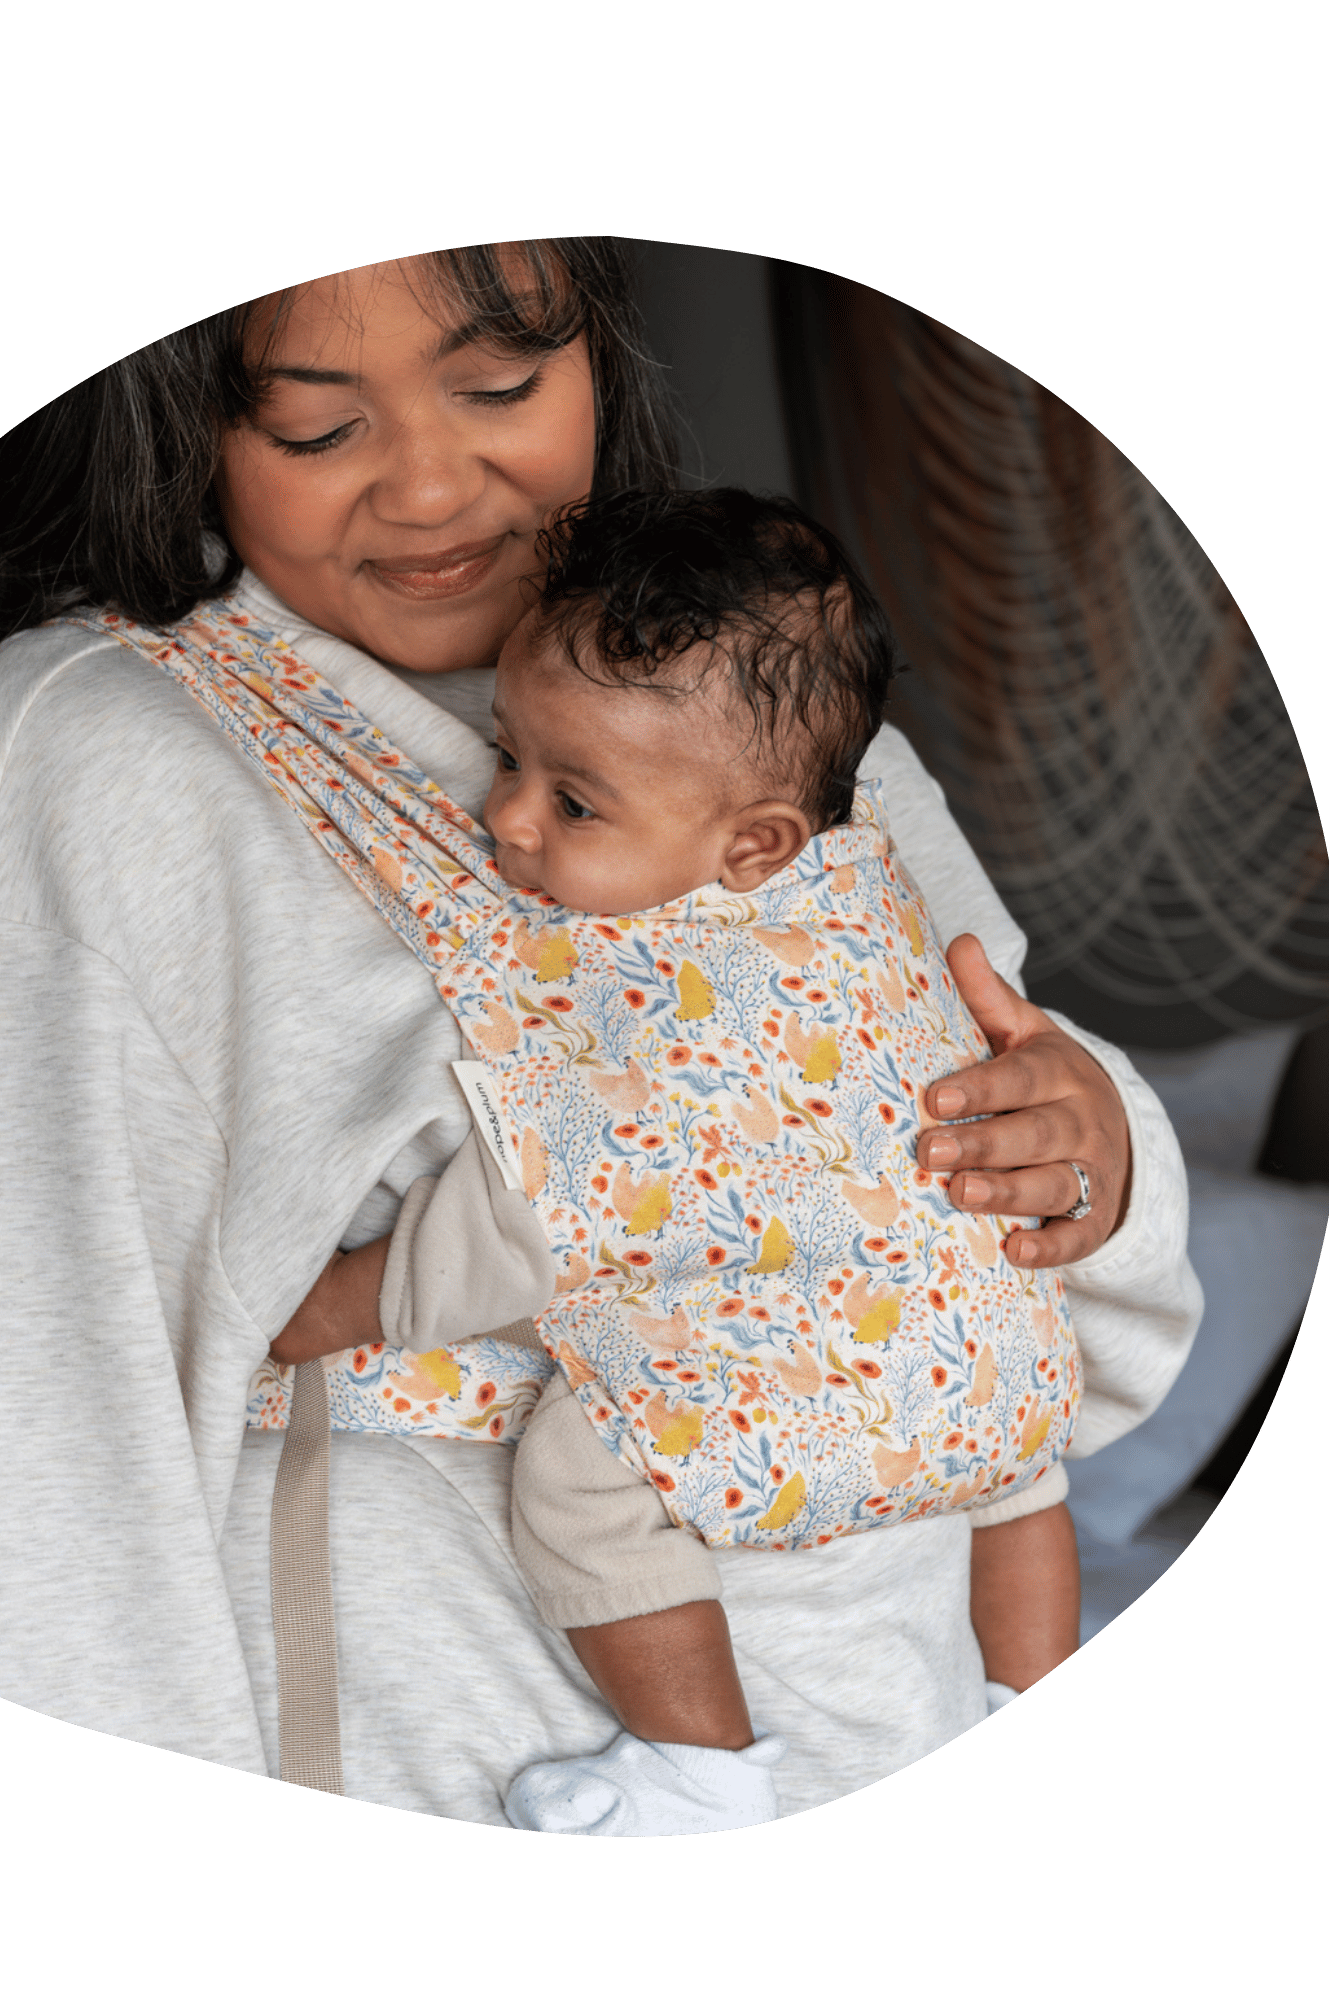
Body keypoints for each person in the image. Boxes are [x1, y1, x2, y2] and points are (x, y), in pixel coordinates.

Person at [0, 243, 1200, 1825]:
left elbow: (1076, 1344)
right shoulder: (79, 770)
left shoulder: (794, 740)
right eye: (321, 428)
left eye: (497, 385)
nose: (428, 486)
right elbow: (18, 1499)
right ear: (176, 423)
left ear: (598, 351)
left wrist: (1096, 1159)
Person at [268, 486, 1082, 1834]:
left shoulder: (634, 1002)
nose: (509, 821)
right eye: (507, 756)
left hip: (780, 1396)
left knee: (591, 1481)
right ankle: (1030, 1693)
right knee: (1021, 1463)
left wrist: (315, 1314)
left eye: (574, 802)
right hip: (972, 1352)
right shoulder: (863, 885)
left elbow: (533, 1219)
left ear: (750, 843)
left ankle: (700, 1766)